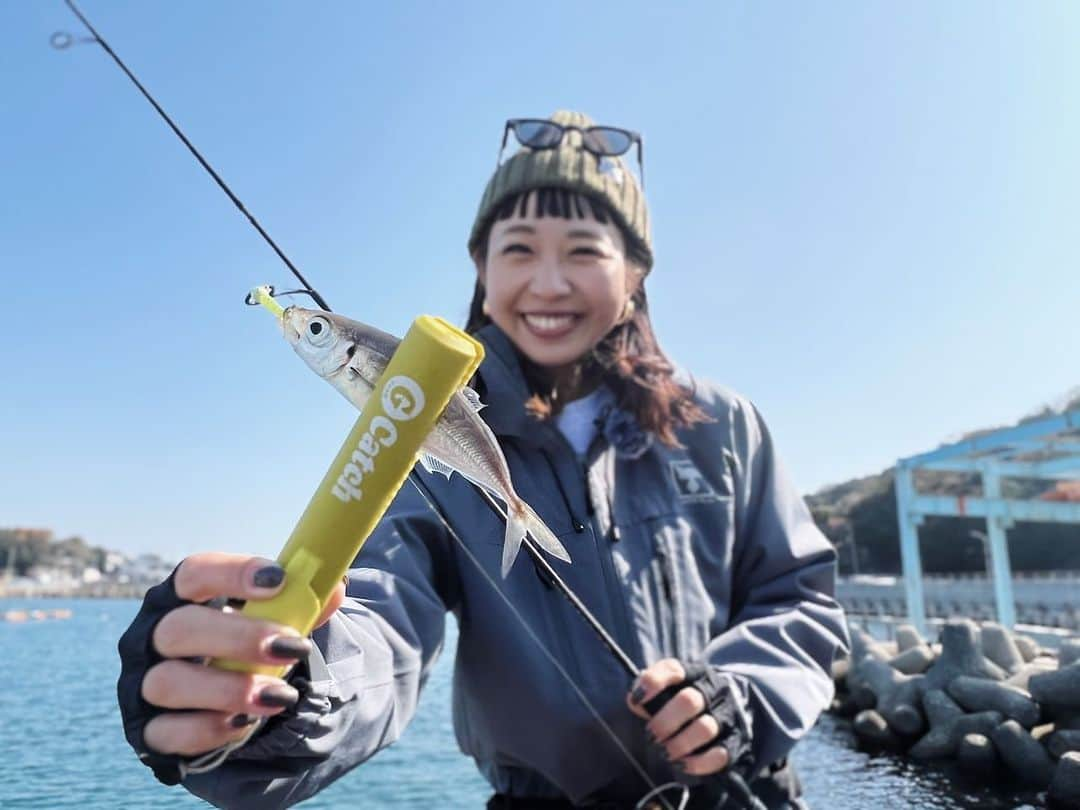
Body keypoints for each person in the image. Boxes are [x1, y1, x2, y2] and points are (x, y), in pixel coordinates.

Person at [117, 110, 849, 810]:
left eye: (586, 250)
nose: (550, 282)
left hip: (746, 793)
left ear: (635, 275)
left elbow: (800, 597)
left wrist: (744, 694)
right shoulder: (415, 428)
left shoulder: (724, 426)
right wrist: (284, 680)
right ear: (482, 269)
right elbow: (382, 615)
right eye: (520, 248)